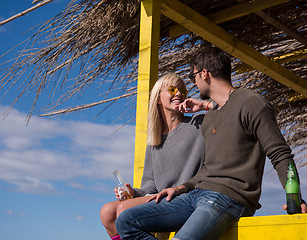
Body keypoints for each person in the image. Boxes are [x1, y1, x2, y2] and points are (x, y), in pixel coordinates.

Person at [115, 47, 307, 240]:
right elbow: (207, 168)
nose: (193, 84)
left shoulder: (252, 103)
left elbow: (280, 154)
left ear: (204, 74)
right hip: (195, 195)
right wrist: (181, 188)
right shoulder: (211, 115)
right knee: (126, 221)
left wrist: (296, 198)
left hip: (228, 197)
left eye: (192, 77)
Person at [100, 73, 208, 240]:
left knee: (125, 211)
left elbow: (226, 114)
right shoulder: (155, 139)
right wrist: (132, 192)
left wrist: (206, 106)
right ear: (158, 99)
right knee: (107, 212)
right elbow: (150, 185)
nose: (178, 94)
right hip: (161, 198)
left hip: (187, 196)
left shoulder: (198, 122)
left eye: (182, 91)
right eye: (172, 90)